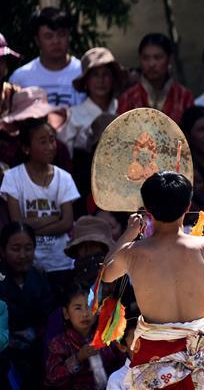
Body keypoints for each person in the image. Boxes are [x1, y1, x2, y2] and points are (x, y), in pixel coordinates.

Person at [101, 171, 204, 387]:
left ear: (146, 209)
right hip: (201, 356)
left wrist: (129, 232)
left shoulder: (132, 252)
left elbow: (106, 274)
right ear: (187, 206)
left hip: (155, 356)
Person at [0, 117, 79, 277]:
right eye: (43, 142)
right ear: (26, 148)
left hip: (60, 261)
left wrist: (29, 227)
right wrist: (53, 218)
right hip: (30, 263)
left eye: (52, 140)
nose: (50, 147)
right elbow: (17, 223)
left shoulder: (64, 178)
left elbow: (66, 223)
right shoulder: (12, 177)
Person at [0, 222, 54, 389]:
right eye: (16, 249)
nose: (23, 255)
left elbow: (47, 317)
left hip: (36, 352)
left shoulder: (40, 278)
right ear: (2, 251)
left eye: (28, 248)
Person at [44, 284, 121, 389]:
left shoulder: (106, 335)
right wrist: (79, 357)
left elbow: (121, 363)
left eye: (90, 306)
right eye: (78, 308)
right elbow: (52, 377)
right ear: (66, 313)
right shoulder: (60, 343)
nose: (85, 314)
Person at [9, 7, 84, 107]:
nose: (56, 41)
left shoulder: (84, 73)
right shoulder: (20, 78)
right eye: (48, 36)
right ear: (37, 41)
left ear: (69, 36)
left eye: (61, 34)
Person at [59, 47, 125, 156]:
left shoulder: (123, 108)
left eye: (106, 74)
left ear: (113, 78)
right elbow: (66, 157)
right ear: (86, 81)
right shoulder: (72, 115)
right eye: (95, 75)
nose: (101, 80)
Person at [116, 33, 194, 124]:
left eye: (158, 58)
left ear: (169, 59)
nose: (151, 64)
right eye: (145, 58)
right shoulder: (128, 97)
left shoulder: (183, 96)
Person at [106, 317, 138, 390]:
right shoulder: (117, 379)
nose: (143, 341)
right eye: (136, 337)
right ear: (122, 347)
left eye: (145, 335)